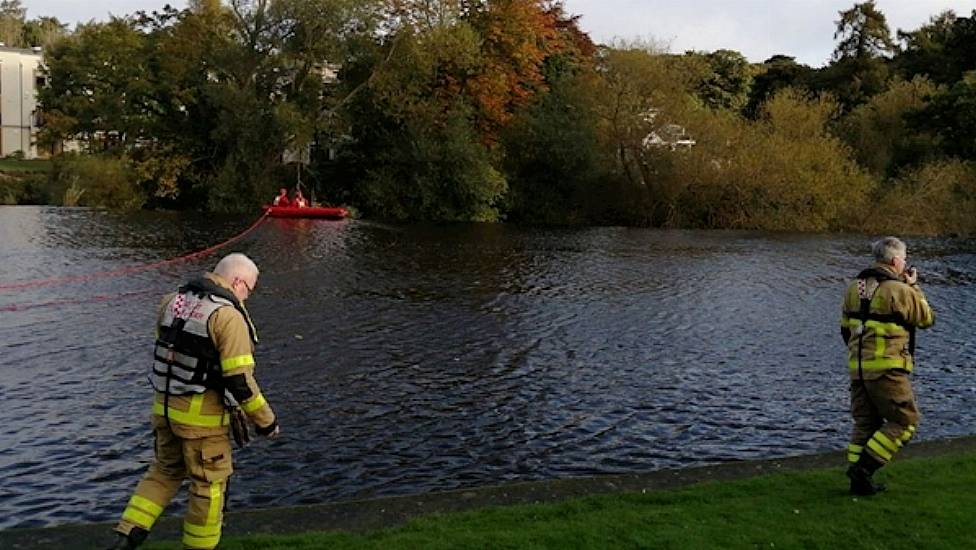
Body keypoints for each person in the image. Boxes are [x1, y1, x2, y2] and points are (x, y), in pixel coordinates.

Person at [108, 253, 279, 549]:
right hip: (203, 424)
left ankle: (125, 538)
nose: (247, 297)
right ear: (238, 282)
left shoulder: (172, 302)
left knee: (163, 473)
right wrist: (266, 422)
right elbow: (239, 381)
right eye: (249, 289)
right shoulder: (227, 316)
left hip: (164, 411)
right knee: (208, 488)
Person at [840, 236, 934, 496]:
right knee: (905, 422)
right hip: (888, 369)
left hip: (858, 369)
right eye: (904, 259)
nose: (905, 263)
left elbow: (845, 329)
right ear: (895, 260)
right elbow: (926, 319)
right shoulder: (899, 290)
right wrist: (914, 287)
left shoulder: (852, 288)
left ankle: (857, 483)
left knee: (865, 424)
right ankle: (864, 470)